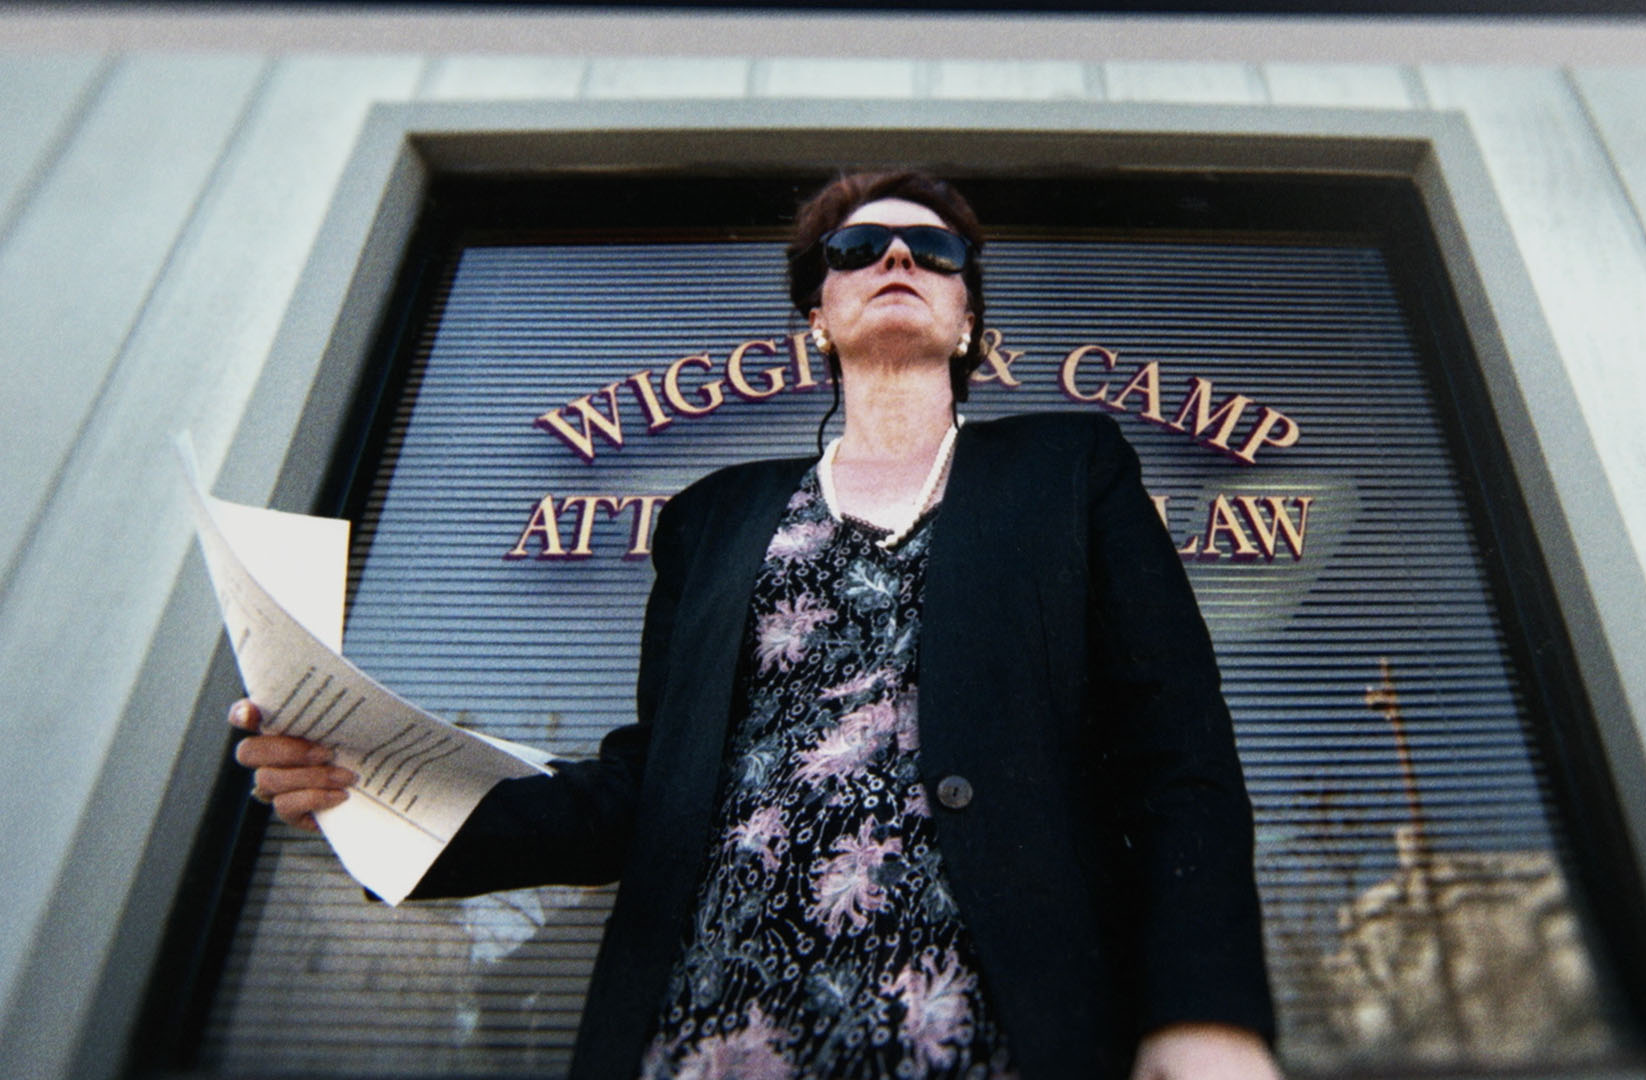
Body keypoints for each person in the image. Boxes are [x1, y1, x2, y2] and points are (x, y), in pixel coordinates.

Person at [232, 170, 1280, 1080]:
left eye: (936, 249)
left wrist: (1208, 1013)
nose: (897, 256)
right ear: (815, 318)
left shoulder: (1069, 472)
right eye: (859, 247)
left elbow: (1175, 751)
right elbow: (643, 791)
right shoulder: (713, 517)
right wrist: (366, 784)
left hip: (996, 1016)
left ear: (968, 321)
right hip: (713, 1014)